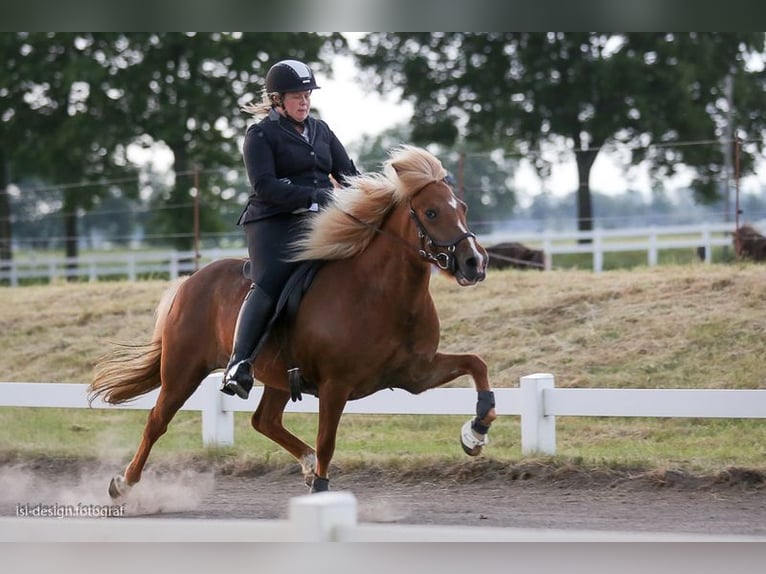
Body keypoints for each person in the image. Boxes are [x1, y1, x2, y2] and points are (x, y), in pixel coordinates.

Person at [221, 59, 359, 400]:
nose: (304, 101)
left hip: (316, 221)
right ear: (277, 99)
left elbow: (349, 175)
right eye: (296, 95)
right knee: (270, 280)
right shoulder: (260, 135)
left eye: (307, 94)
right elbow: (265, 186)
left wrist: (377, 196)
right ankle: (239, 364)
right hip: (271, 221)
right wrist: (315, 196)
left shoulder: (322, 130)